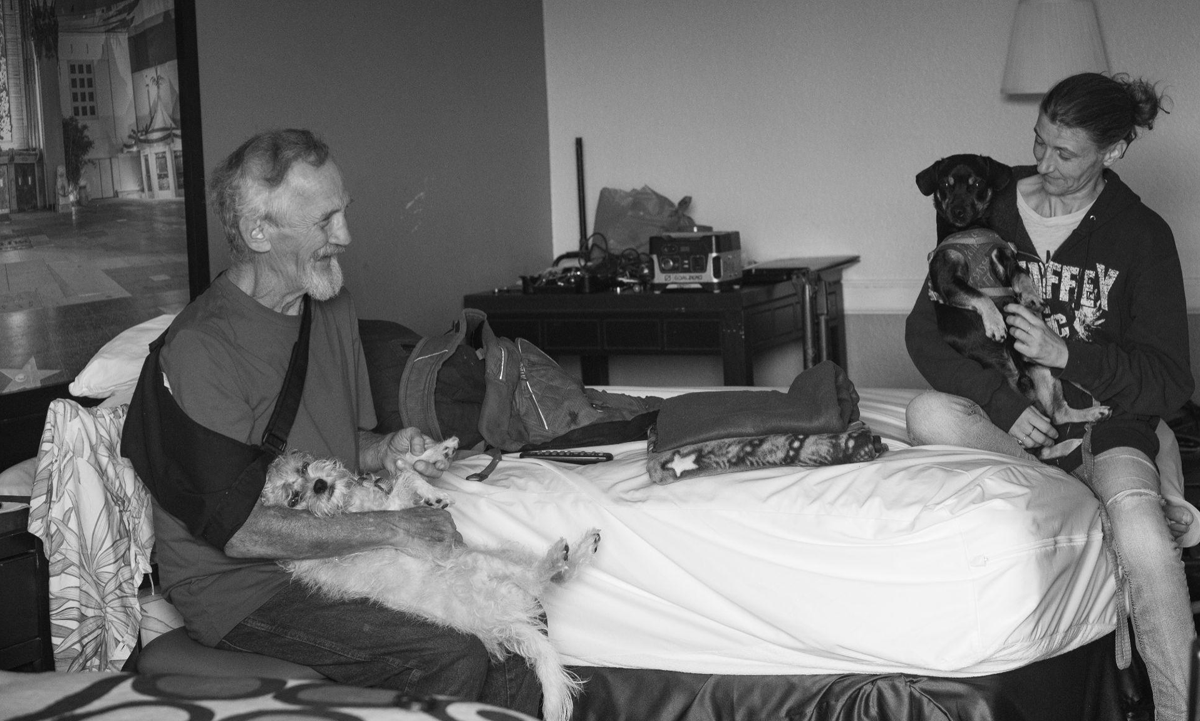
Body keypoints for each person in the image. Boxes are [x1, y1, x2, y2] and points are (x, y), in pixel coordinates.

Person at [126, 129, 542, 714]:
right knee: (454, 654)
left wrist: (388, 450)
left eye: (343, 213)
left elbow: (343, 447)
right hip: (243, 588)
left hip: (339, 557)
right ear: (258, 232)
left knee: (515, 626)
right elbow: (240, 529)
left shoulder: (333, 308)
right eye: (324, 222)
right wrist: (395, 530)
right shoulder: (201, 348)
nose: (344, 237)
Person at [905, 73, 1194, 720]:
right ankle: (1081, 488)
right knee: (925, 412)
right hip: (1019, 426)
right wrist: (1006, 406)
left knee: (1144, 538)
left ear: (1112, 151)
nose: (1044, 164)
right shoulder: (990, 208)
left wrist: (1068, 353)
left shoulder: (1141, 235)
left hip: (1106, 428)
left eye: (1065, 154)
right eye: (1038, 144)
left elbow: (1172, 381)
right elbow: (924, 333)